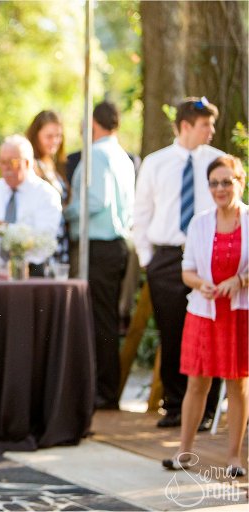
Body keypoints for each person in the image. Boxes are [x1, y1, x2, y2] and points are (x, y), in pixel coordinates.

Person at [134, 97, 224, 429]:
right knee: (172, 332)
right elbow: (141, 213)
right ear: (186, 125)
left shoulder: (217, 163)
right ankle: (174, 405)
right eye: (206, 125)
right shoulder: (156, 163)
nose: (212, 131)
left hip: (205, 257)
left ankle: (207, 409)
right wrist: (148, 260)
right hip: (167, 257)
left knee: (208, 331)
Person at [162, 155, 248, 477]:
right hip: (204, 311)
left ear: (240, 182)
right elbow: (187, 273)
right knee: (197, 382)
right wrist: (203, 284)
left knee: (238, 384)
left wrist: (239, 280)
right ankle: (185, 451)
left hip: (239, 311)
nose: (220, 188)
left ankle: (234, 458)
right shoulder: (199, 222)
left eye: (227, 182)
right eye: (214, 183)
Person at [64, 101, 135, 410]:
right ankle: (106, 389)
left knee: (99, 319)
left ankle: (104, 392)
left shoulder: (97, 155)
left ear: (94, 123)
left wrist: (64, 212)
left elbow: (95, 201)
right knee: (106, 318)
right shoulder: (123, 156)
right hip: (116, 245)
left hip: (99, 246)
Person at [0, 134, 62, 273]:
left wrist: (1, 227)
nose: (6, 168)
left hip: (31, 272)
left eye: (12, 162)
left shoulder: (46, 194)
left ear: (27, 163)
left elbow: (44, 238)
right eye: (2, 162)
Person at [26, 110, 70, 263]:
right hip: (41, 241)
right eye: (49, 136)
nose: (55, 141)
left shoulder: (55, 166)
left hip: (59, 239)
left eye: (58, 136)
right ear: (36, 135)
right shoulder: (31, 166)